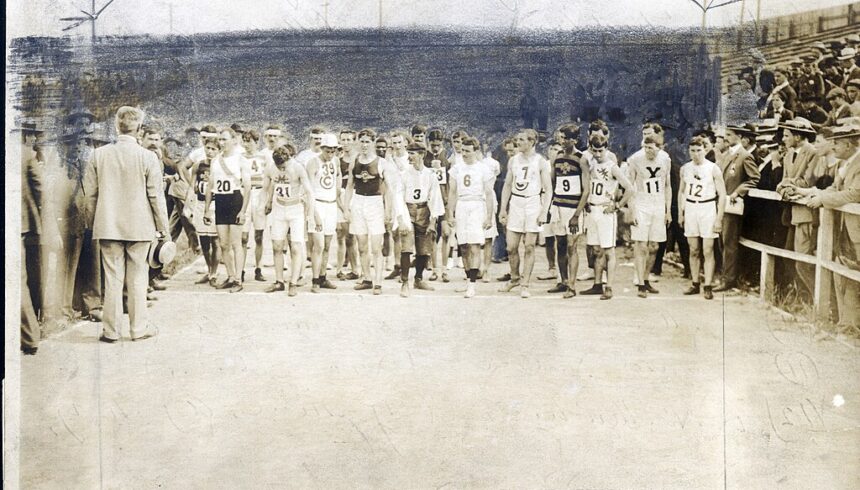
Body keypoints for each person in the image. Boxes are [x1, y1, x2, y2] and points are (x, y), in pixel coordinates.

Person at [83, 106, 168, 343]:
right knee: (138, 278)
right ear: (139, 130)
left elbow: (90, 195)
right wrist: (164, 229)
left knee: (112, 279)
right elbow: (156, 197)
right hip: (140, 227)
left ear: (116, 126)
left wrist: (92, 223)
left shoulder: (98, 155)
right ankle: (138, 328)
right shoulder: (147, 157)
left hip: (108, 225)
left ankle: (110, 331)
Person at [791, 121, 860, 328]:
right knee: (845, 272)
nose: (834, 147)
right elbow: (834, 187)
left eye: (836, 143)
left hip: (856, 229)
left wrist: (822, 200)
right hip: (846, 229)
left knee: (853, 274)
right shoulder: (845, 164)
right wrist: (813, 193)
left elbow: (855, 193)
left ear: (848, 145)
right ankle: (847, 323)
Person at [498, 129, 553, 298]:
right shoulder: (513, 160)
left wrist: (544, 211)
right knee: (511, 246)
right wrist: (503, 209)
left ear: (532, 142)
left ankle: (525, 283)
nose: (517, 142)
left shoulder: (541, 162)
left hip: (533, 203)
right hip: (516, 203)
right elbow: (507, 185)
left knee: (529, 246)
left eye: (521, 140)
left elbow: (549, 189)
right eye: (517, 139)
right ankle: (514, 277)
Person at [578, 132, 633, 300]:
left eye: (600, 151)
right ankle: (597, 284)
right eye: (594, 150)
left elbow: (629, 188)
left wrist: (617, 205)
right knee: (595, 249)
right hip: (592, 209)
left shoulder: (612, 166)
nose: (597, 154)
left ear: (606, 149)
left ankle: (609, 286)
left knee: (609, 250)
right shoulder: (590, 164)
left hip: (605, 211)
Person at [775, 118, 820, 299]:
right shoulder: (788, 154)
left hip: (808, 214)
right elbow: (782, 182)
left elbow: (808, 181)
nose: (784, 139)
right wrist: (785, 186)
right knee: (790, 256)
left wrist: (786, 185)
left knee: (804, 260)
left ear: (798, 136)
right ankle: (803, 297)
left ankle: (815, 299)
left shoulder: (813, 153)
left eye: (787, 136)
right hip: (793, 213)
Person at [203, 127, 252, 293]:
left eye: (225, 139)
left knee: (236, 243)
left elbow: (248, 187)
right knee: (223, 244)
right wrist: (206, 209)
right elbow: (210, 186)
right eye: (220, 140)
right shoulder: (215, 160)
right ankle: (230, 276)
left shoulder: (241, 160)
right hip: (221, 201)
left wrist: (243, 211)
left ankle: (238, 278)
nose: (221, 142)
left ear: (233, 140)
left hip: (235, 199)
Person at [263, 145, 316, 296]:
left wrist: (310, 214)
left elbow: (309, 192)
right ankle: (279, 281)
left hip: (295, 209)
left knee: (296, 246)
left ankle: (293, 282)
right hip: (279, 208)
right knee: (277, 246)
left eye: (283, 166)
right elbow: (269, 185)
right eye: (278, 166)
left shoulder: (298, 168)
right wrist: (267, 202)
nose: (281, 169)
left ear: (289, 159)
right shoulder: (272, 168)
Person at [447, 137, 496, 298]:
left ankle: (473, 284)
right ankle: (468, 280)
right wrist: (450, 213)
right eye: (462, 151)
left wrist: (489, 217)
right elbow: (452, 192)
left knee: (474, 245)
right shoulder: (456, 168)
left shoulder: (483, 169)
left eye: (468, 151)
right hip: (462, 205)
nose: (464, 154)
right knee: (463, 246)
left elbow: (489, 194)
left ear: (476, 151)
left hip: (476, 205)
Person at [680, 137, 727, 300]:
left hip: (707, 208)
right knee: (693, 249)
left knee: (707, 249)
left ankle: (707, 285)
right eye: (692, 150)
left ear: (705, 150)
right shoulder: (685, 168)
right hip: (691, 207)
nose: (695, 154)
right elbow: (681, 191)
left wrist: (719, 218)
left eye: (698, 150)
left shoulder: (713, 168)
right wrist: (681, 212)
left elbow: (722, 195)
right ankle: (695, 283)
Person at [395, 142, 445, 296]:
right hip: (408, 210)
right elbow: (398, 197)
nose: (409, 157)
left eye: (413, 153)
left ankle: (418, 279)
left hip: (424, 210)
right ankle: (404, 282)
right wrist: (401, 220)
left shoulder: (430, 175)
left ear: (422, 154)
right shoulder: (404, 174)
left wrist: (433, 220)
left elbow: (435, 197)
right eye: (408, 153)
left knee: (424, 248)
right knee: (407, 247)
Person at [345, 129, 391, 294]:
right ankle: (367, 278)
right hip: (358, 202)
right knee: (362, 246)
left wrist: (388, 210)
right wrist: (346, 208)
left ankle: (378, 282)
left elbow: (389, 189)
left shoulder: (381, 163)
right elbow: (350, 186)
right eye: (362, 141)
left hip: (375, 203)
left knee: (375, 247)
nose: (364, 145)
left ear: (372, 143)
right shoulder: (354, 161)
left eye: (367, 142)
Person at [715, 124, 760, 292]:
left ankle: (729, 279)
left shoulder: (744, 156)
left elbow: (754, 178)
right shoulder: (728, 155)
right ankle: (725, 275)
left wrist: (738, 191)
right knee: (722, 240)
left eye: (730, 134)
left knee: (729, 241)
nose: (726, 137)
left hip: (732, 204)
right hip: (721, 202)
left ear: (739, 137)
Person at [546, 123, 589, 298]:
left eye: (566, 138)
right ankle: (562, 281)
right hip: (558, 207)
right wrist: (551, 206)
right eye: (561, 138)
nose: (563, 141)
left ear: (575, 139)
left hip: (573, 209)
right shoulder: (556, 157)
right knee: (561, 245)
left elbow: (586, 190)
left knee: (572, 246)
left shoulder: (581, 159)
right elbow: (553, 183)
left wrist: (577, 214)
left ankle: (572, 285)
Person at [627, 133, 672, 298]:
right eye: (645, 147)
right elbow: (630, 186)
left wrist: (667, 210)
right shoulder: (635, 159)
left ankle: (646, 279)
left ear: (659, 148)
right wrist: (632, 209)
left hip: (658, 205)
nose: (648, 151)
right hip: (642, 204)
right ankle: (639, 282)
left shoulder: (665, 159)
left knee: (654, 246)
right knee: (641, 245)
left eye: (651, 148)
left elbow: (667, 186)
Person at [306, 134, 341, 292]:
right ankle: (314, 280)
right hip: (318, 204)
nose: (331, 153)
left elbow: (338, 175)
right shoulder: (313, 163)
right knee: (318, 245)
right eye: (328, 150)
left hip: (331, 205)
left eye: (334, 150)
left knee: (327, 245)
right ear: (322, 148)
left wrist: (338, 193)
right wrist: (314, 213)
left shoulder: (336, 161)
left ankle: (322, 277)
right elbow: (309, 191)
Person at [190, 139, 221, 286]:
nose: (210, 151)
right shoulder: (199, 164)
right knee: (204, 240)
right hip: (200, 204)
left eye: (213, 149)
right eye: (208, 148)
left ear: (219, 151)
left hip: (215, 204)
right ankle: (209, 271)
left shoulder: (221, 166)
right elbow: (192, 185)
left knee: (215, 240)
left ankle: (214, 273)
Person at [240, 129, 270, 282]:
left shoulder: (263, 157)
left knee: (259, 236)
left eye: (249, 141)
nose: (247, 144)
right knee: (243, 237)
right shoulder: (240, 158)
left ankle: (258, 268)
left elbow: (269, 178)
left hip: (259, 195)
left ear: (256, 142)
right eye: (244, 141)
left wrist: (268, 200)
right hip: (245, 195)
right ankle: (241, 270)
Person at [424, 129, 452, 282]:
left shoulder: (447, 157)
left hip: (444, 200)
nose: (435, 148)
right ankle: (435, 269)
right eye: (433, 145)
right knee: (432, 235)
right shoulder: (425, 157)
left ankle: (445, 269)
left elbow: (450, 180)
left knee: (446, 234)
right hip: (431, 202)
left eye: (438, 145)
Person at [336, 129, 360, 281]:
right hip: (341, 197)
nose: (345, 143)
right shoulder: (337, 161)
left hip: (356, 197)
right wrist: (341, 205)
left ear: (354, 141)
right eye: (343, 140)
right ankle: (339, 269)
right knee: (341, 235)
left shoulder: (359, 160)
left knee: (354, 236)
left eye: (348, 140)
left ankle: (356, 269)